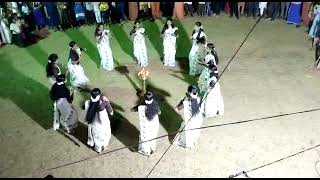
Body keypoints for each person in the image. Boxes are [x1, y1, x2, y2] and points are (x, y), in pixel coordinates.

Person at [131, 92, 161, 156]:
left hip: (147, 123)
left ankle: (146, 151)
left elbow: (135, 108)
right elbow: (159, 112)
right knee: (153, 136)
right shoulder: (155, 103)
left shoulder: (142, 105)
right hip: (155, 123)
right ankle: (152, 148)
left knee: (145, 137)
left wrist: (134, 109)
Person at [84, 88, 113, 154]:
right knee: (106, 135)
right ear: (99, 95)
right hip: (104, 125)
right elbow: (111, 113)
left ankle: (98, 150)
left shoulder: (87, 102)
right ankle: (105, 146)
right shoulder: (104, 102)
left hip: (94, 125)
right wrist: (107, 101)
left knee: (96, 137)